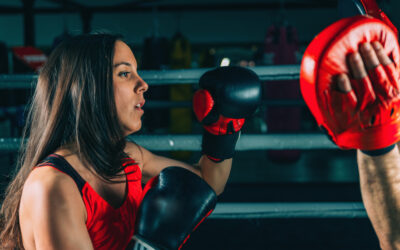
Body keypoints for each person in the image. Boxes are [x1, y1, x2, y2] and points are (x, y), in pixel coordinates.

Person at [0, 34, 261, 249]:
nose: (143, 84)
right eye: (125, 74)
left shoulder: (127, 157)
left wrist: (222, 129)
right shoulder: (54, 186)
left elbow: (205, 184)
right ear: (87, 87)